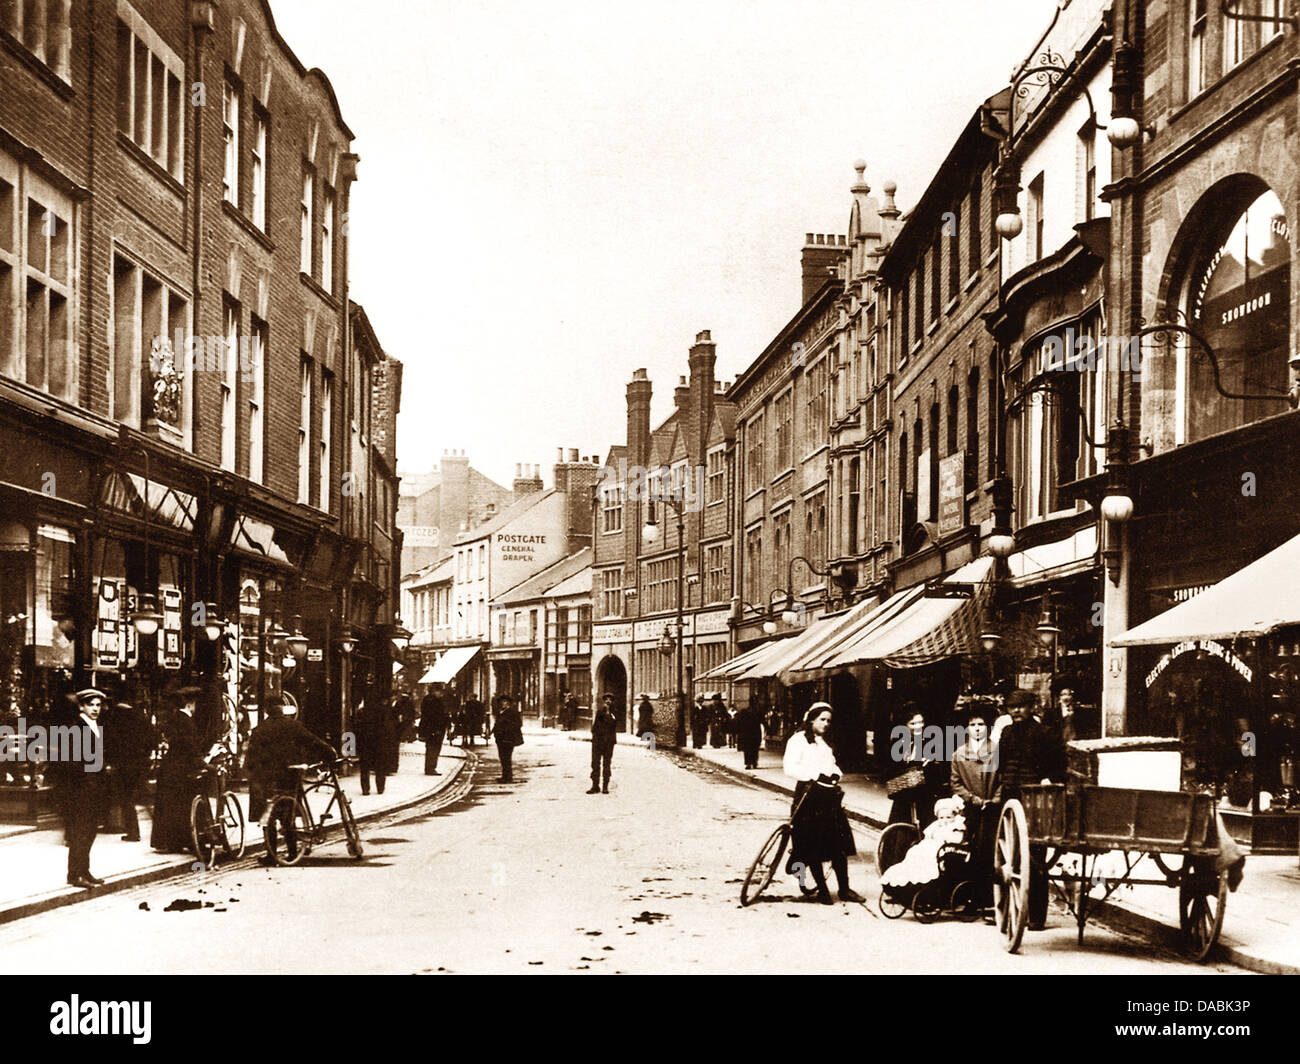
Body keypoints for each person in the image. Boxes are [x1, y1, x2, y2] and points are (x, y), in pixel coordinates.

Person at [992, 689, 1066, 929]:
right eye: (1012, 707)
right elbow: (1000, 765)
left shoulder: (1045, 734)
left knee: (1035, 856)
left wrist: (1048, 778)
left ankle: (1036, 915)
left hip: (1035, 800)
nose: (1016, 711)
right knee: (1009, 857)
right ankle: (1010, 910)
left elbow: (1058, 767)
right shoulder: (1006, 733)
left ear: (1032, 707)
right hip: (1010, 798)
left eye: (1021, 706)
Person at [782, 703, 861, 904]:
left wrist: (835, 773)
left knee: (839, 844)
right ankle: (823, 890)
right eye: (822, 719)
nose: (826, 724)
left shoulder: (823, 743)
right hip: (808, 796)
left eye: (828, 720)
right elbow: (790, 767)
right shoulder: (797, 741)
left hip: (828, 797)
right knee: (813, 845)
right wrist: (814, 775)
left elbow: (831, 764)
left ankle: (844, 889)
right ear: (811, 720)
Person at [245, 697, 336, 864]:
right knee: (289, 813)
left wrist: (253, 777)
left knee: (269, 816)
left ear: (266, 710)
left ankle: (271, 855)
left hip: (267, 779)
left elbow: (250, 760)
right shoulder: (293, 726)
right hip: (288, 776)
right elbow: (313, 742)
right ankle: (293, 851)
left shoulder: (259, 730)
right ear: (282, 709)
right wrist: (330, 753)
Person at [50, 689, 109, 887]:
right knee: (80, 832)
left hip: (94, 788)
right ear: (81, 706)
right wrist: (84, 783)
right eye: (91, 705)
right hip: (81, 790)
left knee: (90, 830)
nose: (95, 709)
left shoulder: (96, 726)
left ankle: (84, 870)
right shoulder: (77, 728)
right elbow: (72, 763)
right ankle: (74, 874)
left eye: (98, 705)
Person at [950, 711, 998, 905]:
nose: (977, 729)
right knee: (969, 852)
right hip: (971, 809)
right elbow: (955, 782)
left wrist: (994, 799)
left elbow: (1003, 780)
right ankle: (969, 897)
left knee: (990, 853)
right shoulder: (959, 753)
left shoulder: (996, 751)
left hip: (993, 809)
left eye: (981, 724)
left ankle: (990, 900)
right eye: (973, 725)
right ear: (967, 729)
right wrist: (973, 799)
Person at [151, 687, 206, 853]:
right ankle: (183, 841)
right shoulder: (186, 721)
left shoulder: (175, 718)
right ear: (190, 704)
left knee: (170, 806)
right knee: (181, 806)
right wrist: (202, 762)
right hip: (180, 770)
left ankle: (169, 841)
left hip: (170, 769)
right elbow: (189, 746)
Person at [102, 700, 155, 842]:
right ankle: (156, 829)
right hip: (141, 765)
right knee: (146, 798)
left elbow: (111, 745)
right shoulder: (141, 722)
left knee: (127, 799)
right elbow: (152, 740)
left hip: (125, 768)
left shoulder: (117, 725)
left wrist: (111, 762)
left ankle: (133, 832)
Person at [888, 707, 939, 829]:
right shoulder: (898, 744)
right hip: (904, 797)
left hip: (924, 796)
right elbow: (891, 770)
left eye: (921, 722)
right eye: (913, 723)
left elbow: (935, 770)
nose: (918, 726)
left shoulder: (930, 743)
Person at [354, 688, 399, 796]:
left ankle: (365, 789)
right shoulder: (384, 711)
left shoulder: (362, 712)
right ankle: (380, 787)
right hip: (380, 742)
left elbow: (357, 728)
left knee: (365, 767)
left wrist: (358, 744)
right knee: (380, 766)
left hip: (365, 742)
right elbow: (388, 729)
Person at [490, 694, 524, 783]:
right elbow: (496, 724)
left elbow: (518, 724)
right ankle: (505, 776)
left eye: (505, 702)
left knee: (507, 758)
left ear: (508, 703)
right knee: (502, 757)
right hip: (500, 738)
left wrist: (507, 729)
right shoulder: (500, 712)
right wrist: (492, 732)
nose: (503, 703)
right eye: (502, 702)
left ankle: (508, 777)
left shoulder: (512, 712)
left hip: (508, 738)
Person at [589, 694, 618, 794]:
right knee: (595, 764)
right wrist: (595, 739)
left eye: (610, 700)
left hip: (609, 743)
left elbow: (613, 725)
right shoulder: (600, 712)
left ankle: (605, 786)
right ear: (604, 701)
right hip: (598, 742)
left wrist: (609, 714)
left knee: (607, 764)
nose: (608, 701)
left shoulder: (615, 714)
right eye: (606, 700)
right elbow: (595, 727)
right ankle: (595, 786)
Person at [419, 684, 450, 775]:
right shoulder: (434, 701)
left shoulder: (428, 700)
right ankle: (430, 768)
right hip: (435, 729)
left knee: (431, 748)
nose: (441, 693)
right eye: (439, 691)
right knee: (434, 748)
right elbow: (435, 716)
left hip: (432, 728)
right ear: (434, 691)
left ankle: (429, 767)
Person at [734, 701, 763, 769]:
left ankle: (748, 763)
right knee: (755, 749)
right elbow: (763, 721)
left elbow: (738, 722)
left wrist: (738, 731)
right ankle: (754, 762)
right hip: (755, 733)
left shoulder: (743, 712)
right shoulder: (758, 712)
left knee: (747, 749)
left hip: (746, 734)